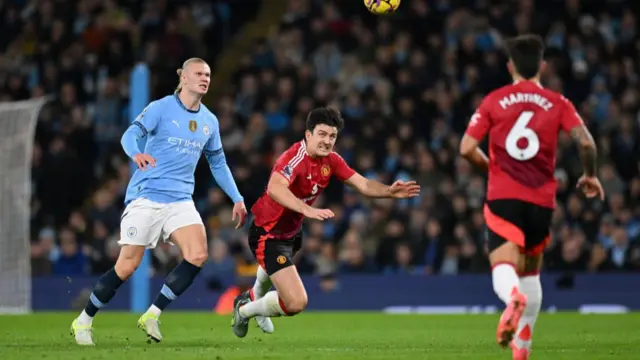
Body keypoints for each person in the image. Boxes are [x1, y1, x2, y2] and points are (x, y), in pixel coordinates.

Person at [70, 58, 247, 345]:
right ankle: (84, 319)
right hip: (146, 196)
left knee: (198, 254)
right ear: (184, 78)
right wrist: (136, 154)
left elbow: (218, 163)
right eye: (199, 73)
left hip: (180, 200)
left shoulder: (209, 121)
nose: (205, 78)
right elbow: (131, 135)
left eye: (208, 74)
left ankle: (152, 313)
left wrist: (237, 198)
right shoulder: (160, 108)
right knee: (127, 266)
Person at [459, 34, 604, 360]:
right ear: (542, 66)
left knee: (503, 264)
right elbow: (586, 143)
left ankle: (512, 298)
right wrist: (590, 174)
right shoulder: (558, 102)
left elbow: (466, 148)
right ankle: (521, 351)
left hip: (504, 195)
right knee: (531, 273)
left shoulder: (494, 101)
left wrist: (491, 168)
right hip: (541, 201)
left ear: (510, 66)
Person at [230, 107, 421, 338]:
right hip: (267, 232)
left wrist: (389, 191)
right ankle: (245, 310)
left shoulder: (332, 160)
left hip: (292, 229)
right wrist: (305, 208)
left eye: (332, 136)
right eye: (322, 134)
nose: (327, 141)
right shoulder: (294, 157)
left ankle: (253, 301)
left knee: (271, 271)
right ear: (308, 134)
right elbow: (275, 187)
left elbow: (363, 184)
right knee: (296, 302)